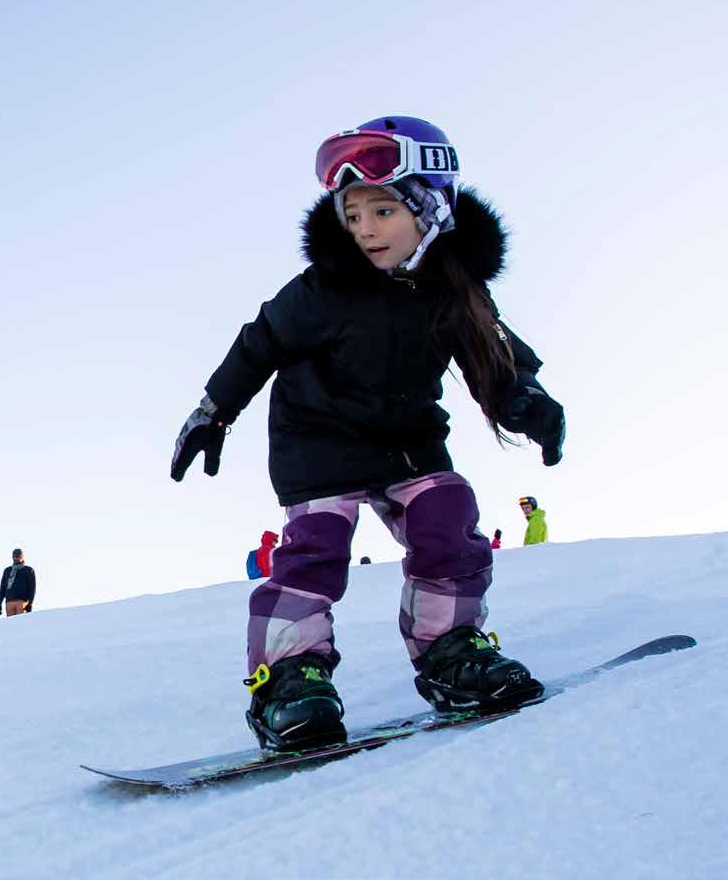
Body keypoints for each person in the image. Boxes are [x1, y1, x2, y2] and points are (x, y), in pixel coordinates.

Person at [170, 115, 565, 751]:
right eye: (352, 216)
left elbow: (498, 360)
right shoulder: (325, 286)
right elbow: (259, 343)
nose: (364, 231)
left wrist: (530, 402)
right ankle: (290, 681)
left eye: (382, 211)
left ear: (432, 207)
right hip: (318, 440)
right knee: (315, 551)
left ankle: (451, 652)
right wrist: (214, 409)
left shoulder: (455, 289)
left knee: (447, 519)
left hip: (407, 440)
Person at [0, 548, 36, 616]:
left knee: (20, 623)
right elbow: (2, 588)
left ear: (22, 557)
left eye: (17, 556)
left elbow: (32, 589)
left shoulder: (28, 570)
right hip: (9, 602)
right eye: (14, 556)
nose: (15, 558)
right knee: (10, 625)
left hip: (21, 601)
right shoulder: (7, 571)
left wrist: (30, 603)